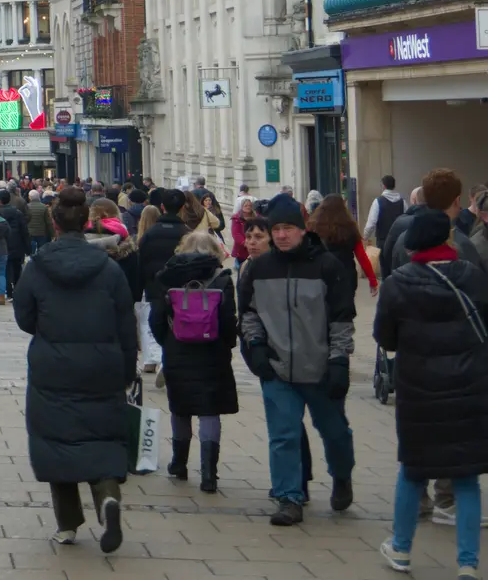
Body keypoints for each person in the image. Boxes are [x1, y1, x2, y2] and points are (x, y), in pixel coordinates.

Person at [13, 187, 137, 553]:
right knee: (102, 434)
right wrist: (127, 368)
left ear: (54, 223)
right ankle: (107, 499)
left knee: (56, 439)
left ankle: (67, 524)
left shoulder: (38, 266)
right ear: (88, 223)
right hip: (102, 363)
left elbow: (24, 317)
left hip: (53, 364)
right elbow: (125, 322)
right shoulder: (109, 268)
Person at [374, 204, 488, 577]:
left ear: (412, 243)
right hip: (469, 388)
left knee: (413, 471)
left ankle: (402, 549)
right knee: (467, 477)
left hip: (419, 390)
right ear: (447, 239)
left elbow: (385, 338)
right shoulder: (472, 276)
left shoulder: (398, 283)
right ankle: (468, 564)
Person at [239, 193, 356, 527]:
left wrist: (338, 361)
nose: (281, 235)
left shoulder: (327, 266)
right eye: (276, 229)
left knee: (335, 432)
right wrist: (256, 345)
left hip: (319, 368)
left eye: (288, 228)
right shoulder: (259, 269)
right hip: (277, 368)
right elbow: (249, 313)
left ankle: (342, 475)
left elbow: (342, 318)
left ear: (303, 229)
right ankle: (288, 497)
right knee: (283, 434)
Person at [148, 231, 237, 494]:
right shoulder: (221, 279)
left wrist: (168, 341)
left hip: (178, 350)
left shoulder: (169, 276)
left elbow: (156, 318)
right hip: (212, 352)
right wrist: (227, 344)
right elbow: (228, 319)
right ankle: (209, 474)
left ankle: (179, 464)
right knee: (210, 409)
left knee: (181, 407)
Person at [135, 188, 187, 376]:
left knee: (156, 323)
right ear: (182, 208)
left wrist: (137, 290)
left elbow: (141, 263)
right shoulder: (186, 233)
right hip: (181, 289)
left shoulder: (149, 234)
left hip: (155, 287)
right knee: (179, 324)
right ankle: (169, 358)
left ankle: (165, 357)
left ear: (162, 207)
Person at [307, 194, 379, 300]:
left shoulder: (313, 227)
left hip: (321, 274)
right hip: (346, 274)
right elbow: (362, 257)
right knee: (346, 309)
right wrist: (372, 280)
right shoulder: (350, 228)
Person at [366, 174, 408, 249]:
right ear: (394, 186)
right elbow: (407, 219)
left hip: (383, 240)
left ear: (384, 186)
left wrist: (365, 236)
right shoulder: (403, 202)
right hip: (398, 240)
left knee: (384, 260)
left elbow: (371, 223)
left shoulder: (378, 201)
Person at [22, 189, 49, 254]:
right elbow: (48, 222)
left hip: (30, 233)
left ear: (30, 197)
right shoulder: (44, 207)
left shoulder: (26, 207)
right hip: (41, 233)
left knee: (32, 252)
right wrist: (52, 234)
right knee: (42, 252)